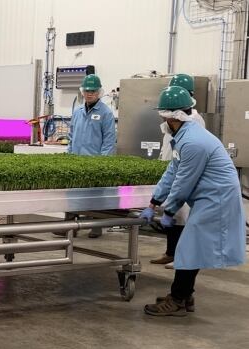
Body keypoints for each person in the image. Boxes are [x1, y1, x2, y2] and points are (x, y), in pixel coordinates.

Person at [140, 85, 245, 316]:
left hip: (217, 199)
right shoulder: (183, 136)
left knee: (189, 248)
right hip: (210, 197)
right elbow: (172, 172)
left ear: (171, 116)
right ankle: (184, 296)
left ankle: (178, 299)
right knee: (191, 248)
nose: (162, 120)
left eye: (163, 115)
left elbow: (184, 182)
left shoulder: (193, 142)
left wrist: (169, 212)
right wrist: (154, 202)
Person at [150, 74, 205, 269]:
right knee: (174, 215)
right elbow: (174, 162)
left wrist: (168, 206)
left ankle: (180, 258)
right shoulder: (175, 125)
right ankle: (171, 253)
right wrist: (154, 202)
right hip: (177, 169)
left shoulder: (193, 123)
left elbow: (185, 173)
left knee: (182, 217)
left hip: (198, 184)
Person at [57, 74, 116, 238]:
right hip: (76, 159)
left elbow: (109, 140)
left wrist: (103, 161)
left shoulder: (106, 113)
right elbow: (71, 135)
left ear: (99, 92)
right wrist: (69, 154)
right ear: (82, 92)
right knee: (72, 193)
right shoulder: (78, 111)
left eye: (93, 91)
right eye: (87, 90)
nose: (89, 93)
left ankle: (95, 227)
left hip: (94, 160)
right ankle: (70, 226)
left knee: (94, 195)